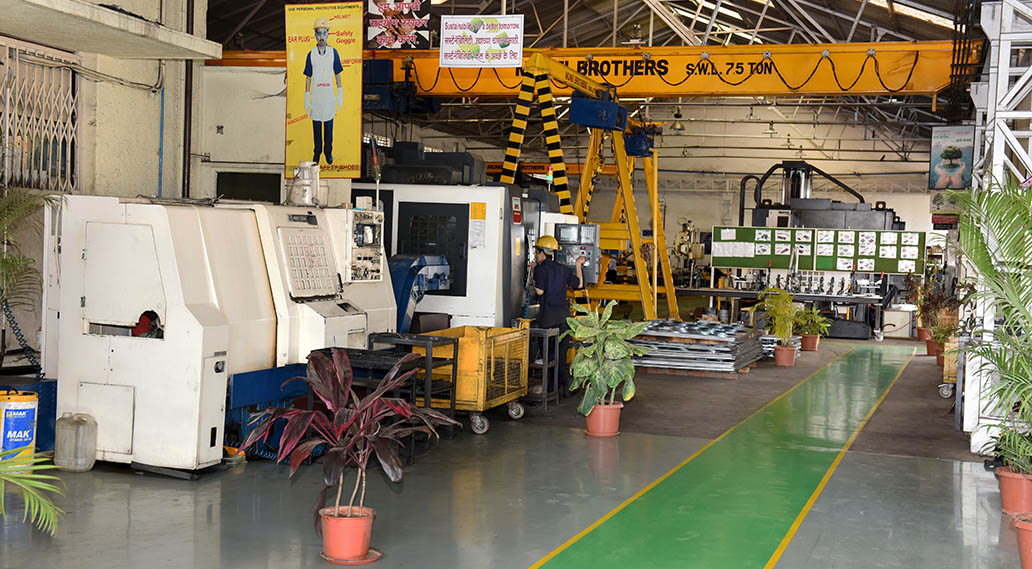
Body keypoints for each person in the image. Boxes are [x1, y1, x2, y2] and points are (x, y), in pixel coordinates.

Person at [531, 235, 585, 395]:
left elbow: (540, 291)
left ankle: (555, 388)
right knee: (560, 356)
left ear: (542, 253)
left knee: (549, 357)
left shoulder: (540, 269)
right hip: (564, 319)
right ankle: (562, 389)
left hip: (548, 320)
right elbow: (579, 284)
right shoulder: (563, 269)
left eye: (537, 253)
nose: (536, 256)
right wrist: (578, 264)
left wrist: (533, 273)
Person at [303, 17, 344, 164]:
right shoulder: (311, 54)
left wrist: (340, 93)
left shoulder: (333, 53)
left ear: (328, 34)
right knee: (316, 127)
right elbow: (308, 77)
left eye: (324, 33)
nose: (321, 36)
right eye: (318, 33)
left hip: (328, 97)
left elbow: (337, 74)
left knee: (328, 126)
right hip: (316, 97)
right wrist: (306, 97)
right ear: (315, 35)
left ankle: (328, 152)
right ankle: (317, 152)